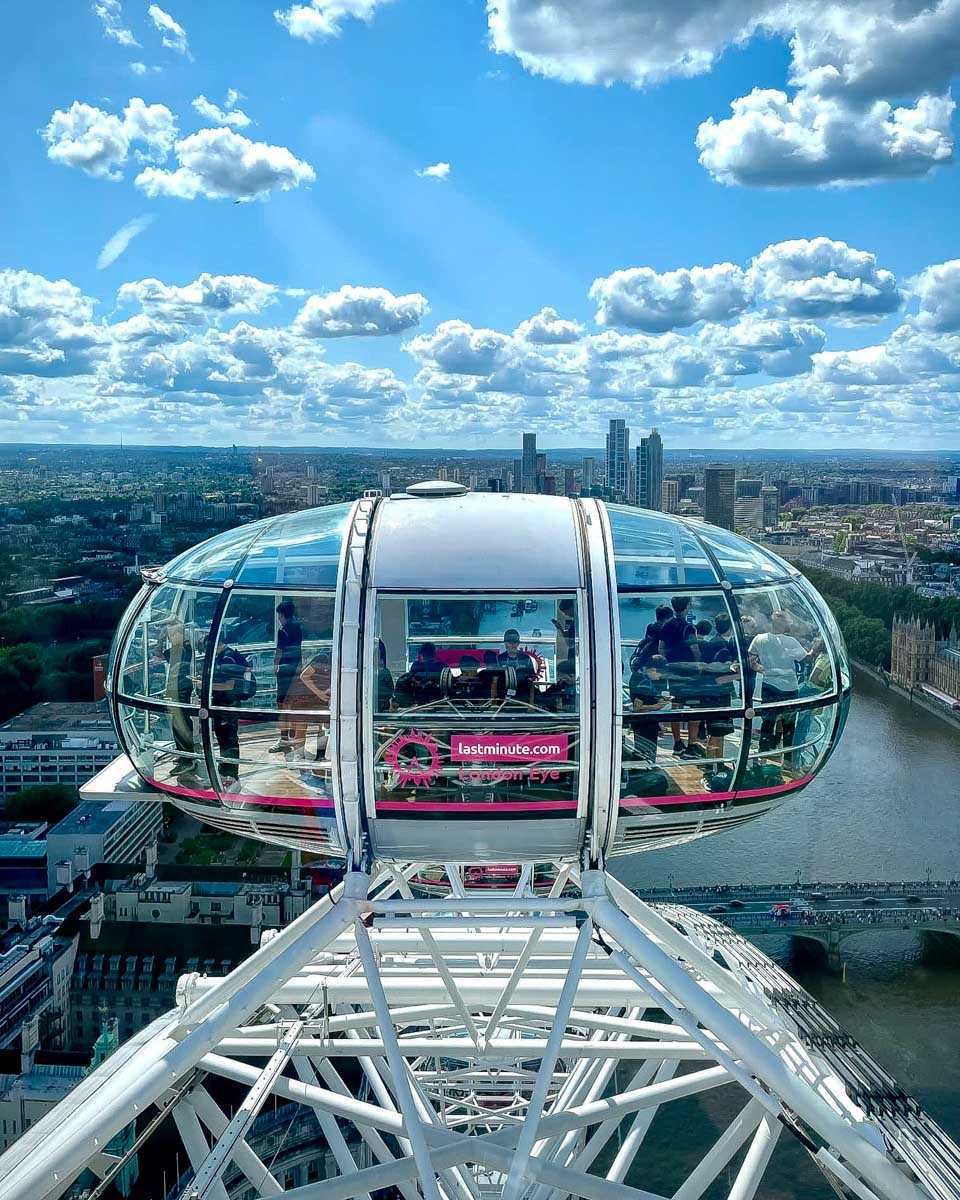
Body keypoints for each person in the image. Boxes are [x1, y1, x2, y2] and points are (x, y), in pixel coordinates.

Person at [748, 610, 812, 753]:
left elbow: (751, 661)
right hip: (789, 688)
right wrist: (815, 647)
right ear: (785, 625)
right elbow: (806, 659)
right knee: (788, 724)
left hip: (769, 686)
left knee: (768, 721)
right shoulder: (791, 642)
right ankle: (788, 759)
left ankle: (762, 753)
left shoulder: (759, 639)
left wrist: (763, 670)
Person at [659, 596, 704, 758]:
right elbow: (695, 649)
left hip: (672, 670)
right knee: (694, 708)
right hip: (688, 672)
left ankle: (677, 742)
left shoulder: (666, 625)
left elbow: (661, 648)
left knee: (676, 705)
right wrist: (698, 666)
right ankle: (691, 745)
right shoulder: (688, 627)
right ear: (687, 606)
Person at [207, 637, 251, 785]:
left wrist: (206, 686)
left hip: (227, 704)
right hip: (226, 703)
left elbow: (230, 685)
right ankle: (225, 772)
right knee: (225, 739)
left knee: (228, 739)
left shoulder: (227, 659)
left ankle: (230, 774)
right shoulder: (228, 655)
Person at [161, 618, 198, 785]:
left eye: (170, 635)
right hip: (179, 690)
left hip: (179, 691)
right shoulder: (184, 648)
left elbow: (158, 654)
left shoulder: (180, 650)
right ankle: (185, 754)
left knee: (180, 723)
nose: (169, 638)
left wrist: (161, 637)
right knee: (180, 723)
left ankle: (187, 759)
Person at [271, 600, 303, 753]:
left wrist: (275, 665)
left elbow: (279, 651)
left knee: (282, 705)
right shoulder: (297, 627)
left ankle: (284, 739)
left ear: (282, 614)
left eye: (279, 615)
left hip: (285, 672)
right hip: (297, 670)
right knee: (293, 704)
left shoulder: (282, 630)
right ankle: (293, 736)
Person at [627, 654, 669, 760]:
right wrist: (657, 706)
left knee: (650, 749)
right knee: (643, 749)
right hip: (642, 721)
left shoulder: (649, 678)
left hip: (651, 720)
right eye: (660, 674)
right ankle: (642, 769)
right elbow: (637, 707)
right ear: (652, 670)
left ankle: (648, 766)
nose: (660, 677)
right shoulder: (641, 680)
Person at [299, 646, 333, 760]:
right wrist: (320, 693)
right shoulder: (324, 657)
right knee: (303, 726)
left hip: (323, 697)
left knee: (324, 726)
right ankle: (299, 754)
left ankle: (320, 756)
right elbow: (304, 676)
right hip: (309, 697)